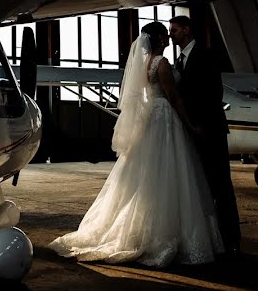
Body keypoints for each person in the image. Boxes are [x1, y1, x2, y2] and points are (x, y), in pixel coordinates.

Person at [49, 22, 224, 267]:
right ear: (159, 38)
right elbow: (173, 97)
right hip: (165, 117)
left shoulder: (144, 64)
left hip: (151, 116)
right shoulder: (161, 63)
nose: (169, 36)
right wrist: (191, 124)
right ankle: (166, 233)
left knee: (147, 175)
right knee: (169, 172)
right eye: (166, 33)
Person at [168, 15, 241, 257]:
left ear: (187, 30)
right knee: (200, 186)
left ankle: (231, 240)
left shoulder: (206, 55)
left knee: (220, 186)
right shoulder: (177, 61)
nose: (171, 35)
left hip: (210, 130)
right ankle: (211, 237)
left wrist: (200, 125)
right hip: (190, 132)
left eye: (175, 30)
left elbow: (213, 94)